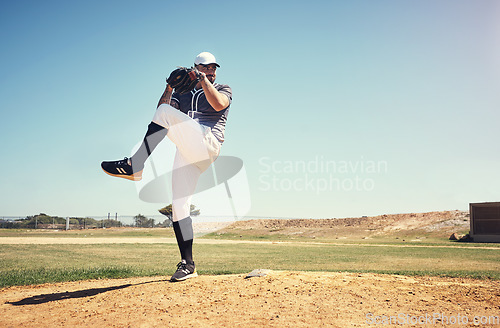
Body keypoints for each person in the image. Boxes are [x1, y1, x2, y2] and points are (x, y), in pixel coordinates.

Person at [101, 52, 232, 282]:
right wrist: (170, 87)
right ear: (196, 66)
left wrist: (202, 80)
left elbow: (219, 104)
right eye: (206, 67)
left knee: (164, 114)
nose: (210, 71)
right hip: (187, 151)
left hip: (207, 143)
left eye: (213, 68)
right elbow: (161, 111)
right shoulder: (183, 94)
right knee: (179, 207)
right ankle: (188, 264)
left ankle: (136, 165)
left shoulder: (222, 88)